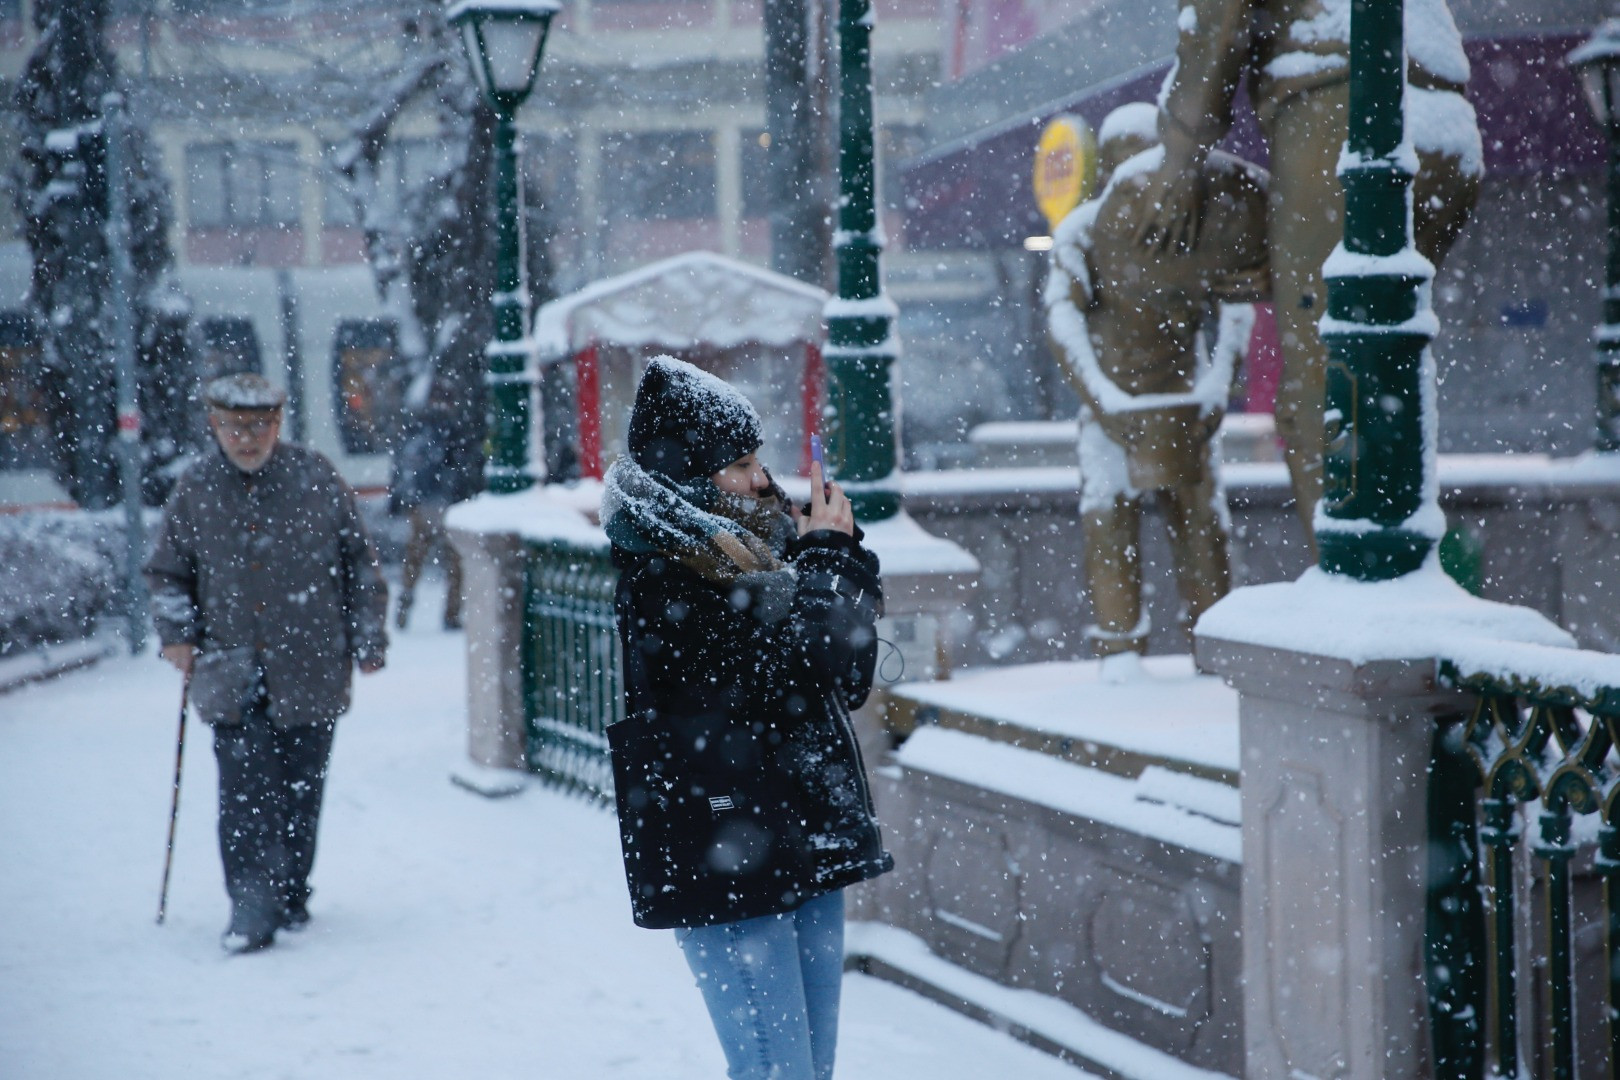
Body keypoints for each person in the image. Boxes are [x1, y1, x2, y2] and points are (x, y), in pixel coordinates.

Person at [601, 356, 893, 1080]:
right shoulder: (664, 573)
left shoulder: (760, 549)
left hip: (805, 840)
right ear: (692, 480)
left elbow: (846, 676)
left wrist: (834, 560)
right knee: (776, 1071)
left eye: (757, 457)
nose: (761, 477)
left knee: (807, 1073)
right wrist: (825, 560)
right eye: (738, 463)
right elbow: (772, 676)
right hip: (732, 855)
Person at [1136, 0, 1480, 544]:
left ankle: (1355, 578)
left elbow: (1217, 23)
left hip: (1346, 105)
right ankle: (1397, 559)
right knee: (1381, 362)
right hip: (1443, 123)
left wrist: (1179, 155)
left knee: (1325, 391)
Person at [145, 373, 388, 954]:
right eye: (233, 427)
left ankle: (291, 890)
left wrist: (369, 637)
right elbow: (167, 573)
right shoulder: (196, 488)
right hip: (229, 670)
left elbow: (359, 564)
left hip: (311, 664)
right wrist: (177, 633)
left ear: (278, 424)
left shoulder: (316, 478)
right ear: (214, 426)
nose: (246, 439)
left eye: (258, 426)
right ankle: (253, 906)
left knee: (302, 790)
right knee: (246, 792)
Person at [1046, 101, 1269, 673]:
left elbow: (1239, 306)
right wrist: (1103, 400)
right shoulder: (1083, 232)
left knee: (1203, 536)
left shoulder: (1194, 227)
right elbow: (1061, 320)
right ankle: (1119, 655)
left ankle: (1216, 651)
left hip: (1186, 408)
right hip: (1112, 418)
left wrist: (1218, 387)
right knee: (1110, 530)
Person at [393, 391, 477, 630]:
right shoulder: (453, 428)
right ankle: (451, 614)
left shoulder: (416, 428)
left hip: (422, 503)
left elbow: (402, 465)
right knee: (454, 562)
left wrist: (403, 498)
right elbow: (460, 466)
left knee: (415, 559)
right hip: (445, 503)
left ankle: (404, 607)